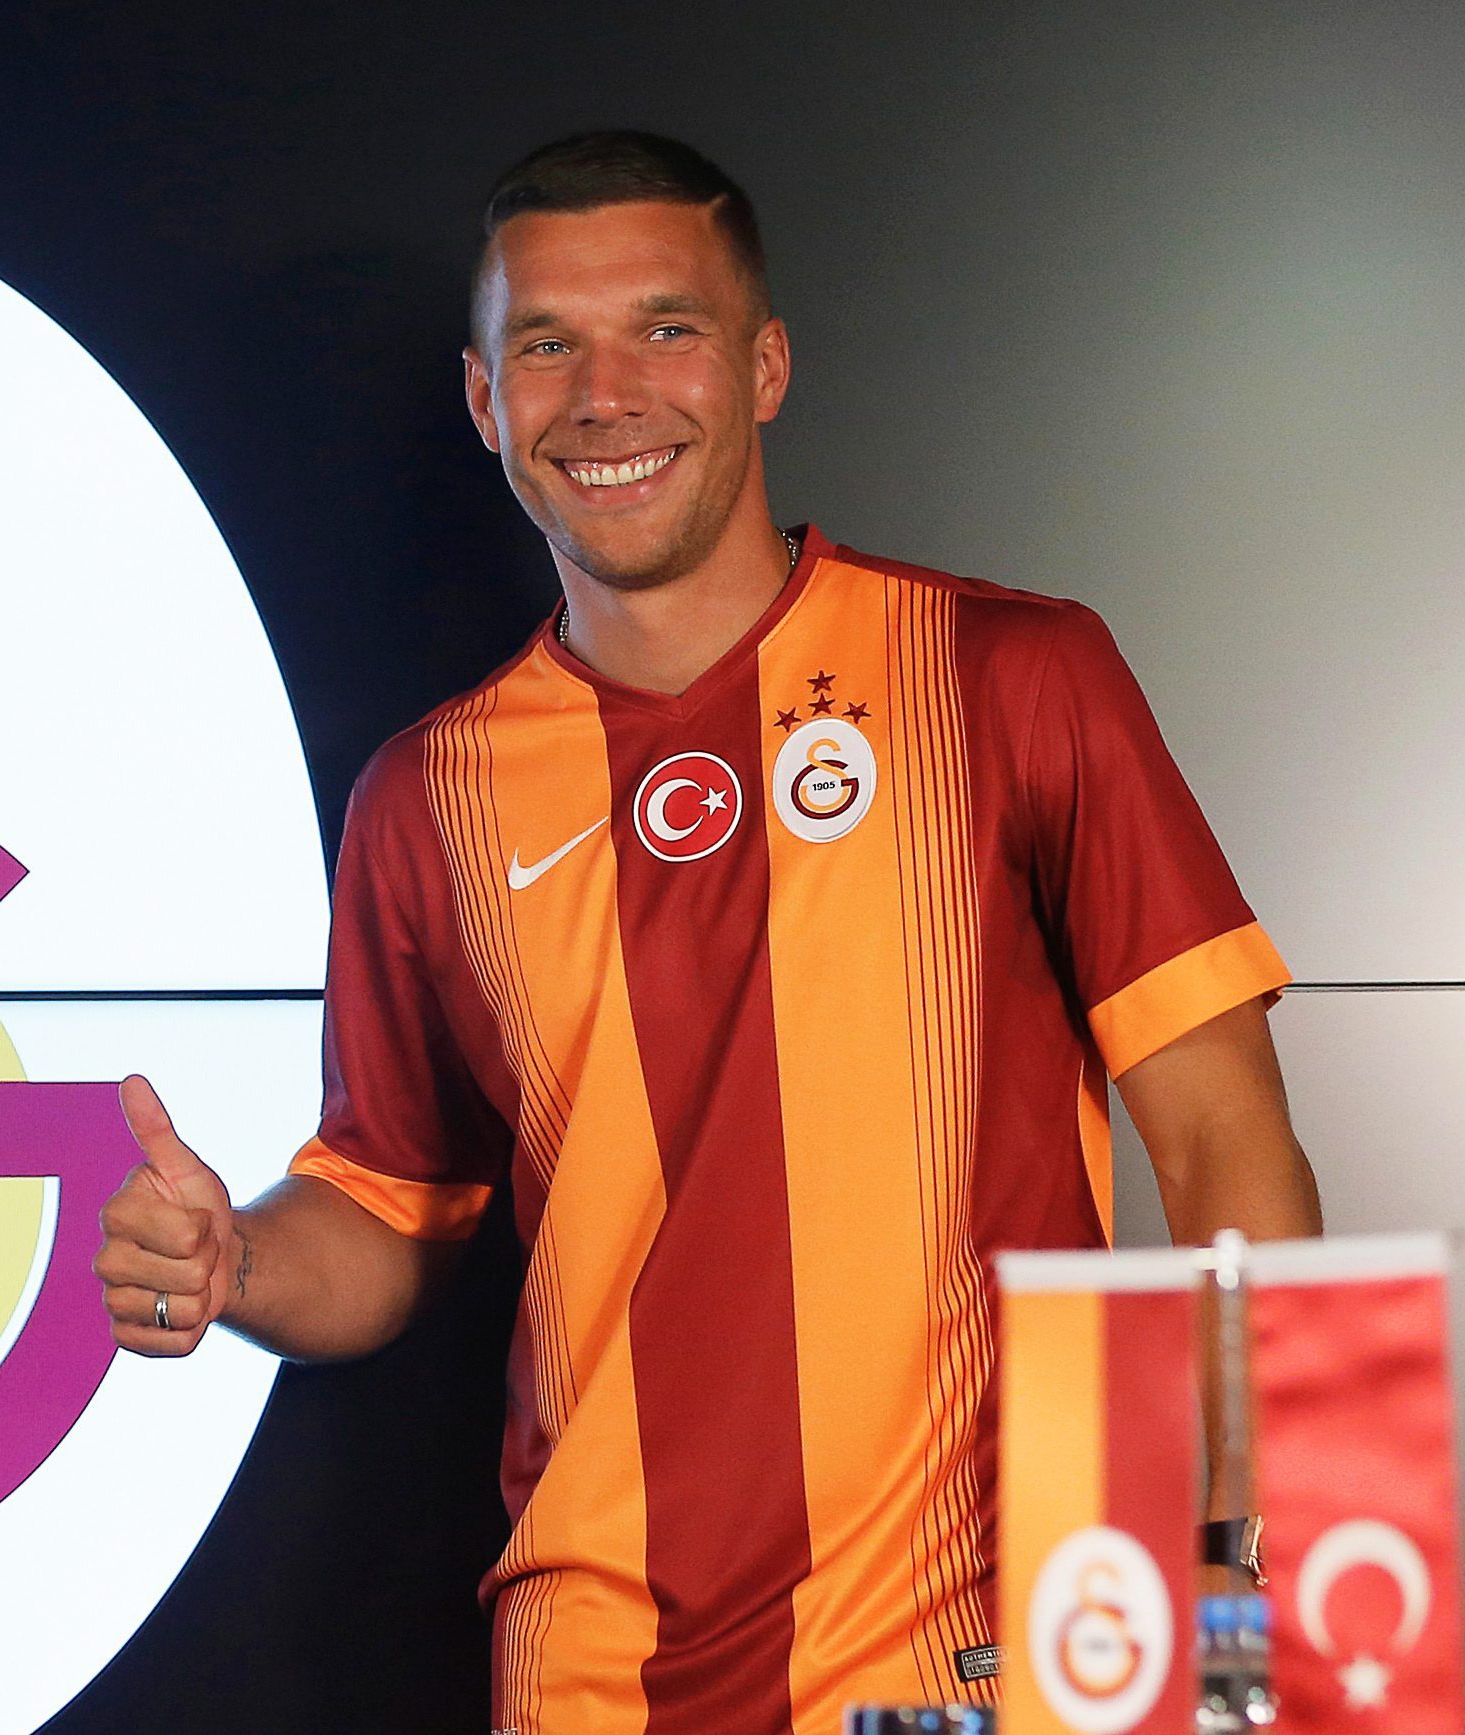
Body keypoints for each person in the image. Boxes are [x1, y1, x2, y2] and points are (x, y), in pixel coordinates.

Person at [92, 131, 1322, 1735]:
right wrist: (237, 1261)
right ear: (485, 400)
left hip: (994, 1659)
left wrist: (1246, 1592)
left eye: (664, 329)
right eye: (548, 345)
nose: (606, 394)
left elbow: (1228, 1146)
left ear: (765, 367)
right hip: (593, 1678)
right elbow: (389, 1204)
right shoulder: (427, 795)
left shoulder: (1010, 676)